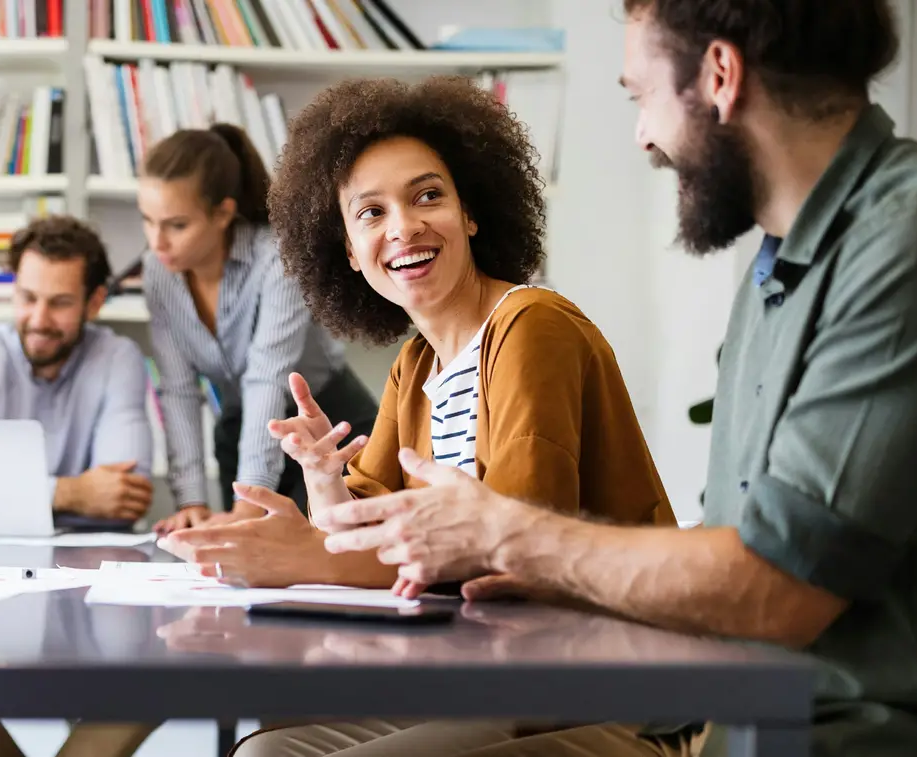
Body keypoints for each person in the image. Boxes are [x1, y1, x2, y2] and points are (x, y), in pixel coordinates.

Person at [304, 1, 917, 755]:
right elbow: (741, 560)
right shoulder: (779, 274)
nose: (644, 136)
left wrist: (507, 534)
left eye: (642, 96)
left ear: (720, 77)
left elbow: (775, 587)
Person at [162, 75, 676, 606]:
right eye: (371, 212)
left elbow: (517, 542)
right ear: (351, 254)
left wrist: (304, 558)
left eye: (427, 196)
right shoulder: (416, 366)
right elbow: (356, 532)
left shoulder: (532, 325)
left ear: (470, 214)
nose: (404, 228)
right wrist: (323, 477)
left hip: (609, 647)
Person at [0, 215, 160, 757]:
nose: (38, 318)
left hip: (89, 582)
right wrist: (69, 494)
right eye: (27, 297)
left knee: (145, 686)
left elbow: (121, 496)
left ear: (95, 302)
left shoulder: (118, 357)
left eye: (60, 302)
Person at [128, 124, 377, 537]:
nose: (157, 242)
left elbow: (267, 376)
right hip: (244, 429)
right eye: (147, 221)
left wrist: (250, 499)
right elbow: (178, 390)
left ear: (223, 213)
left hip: (331, 428)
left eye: (176, 225)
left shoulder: (277, 259)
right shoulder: (158, 272)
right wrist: (191, 501)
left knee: (325, 559)